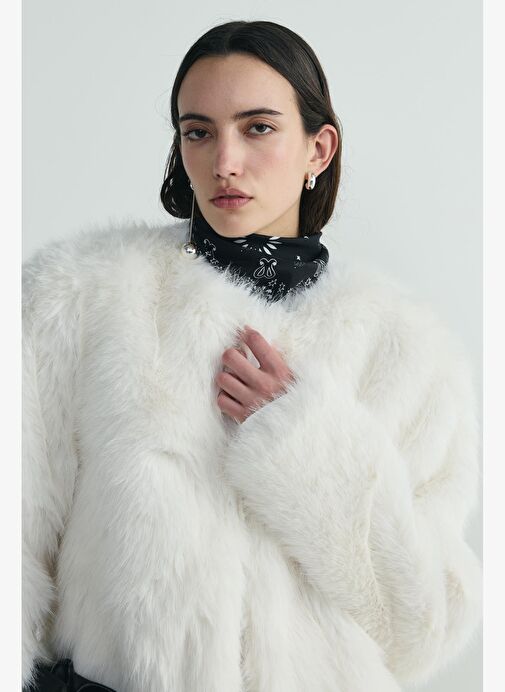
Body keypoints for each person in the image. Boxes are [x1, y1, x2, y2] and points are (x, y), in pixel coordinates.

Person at [22, 19, 482, 692]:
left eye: (258, 127)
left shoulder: (407, 352)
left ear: (318, 149)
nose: (224, 162)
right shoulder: (80, 298)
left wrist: (307, 445)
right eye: (198, 132)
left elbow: (424, 627)